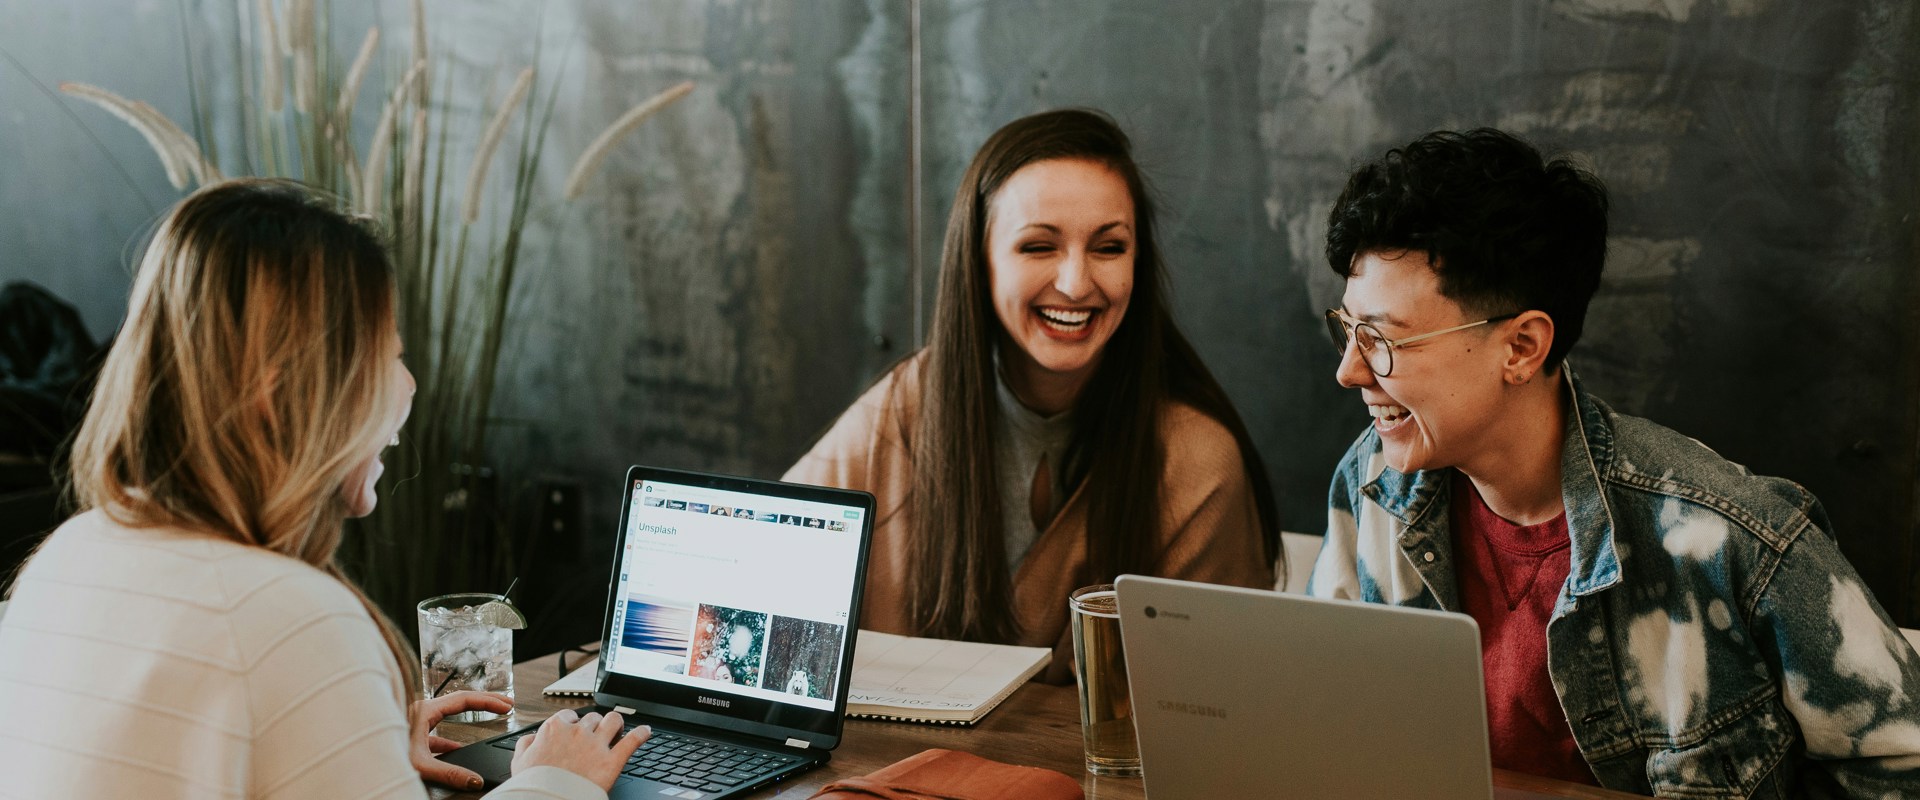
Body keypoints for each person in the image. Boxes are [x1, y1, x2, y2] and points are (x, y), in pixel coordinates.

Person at [1307, 128, 1920, 796]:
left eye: (1383, 340)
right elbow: (1325, 722)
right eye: (1348, 329)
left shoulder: (1734, 540)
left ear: (1521, 347)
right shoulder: (1372, 483)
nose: (1349, 370)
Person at [0, 179, 648, 799]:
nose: (410, 385)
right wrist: (558, 780)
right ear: (282, 393)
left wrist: (353, 738)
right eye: (389, 357)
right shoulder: (287, 616)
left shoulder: (67, 554)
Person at [786, 108, 1277, 683]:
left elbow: (1215, 707)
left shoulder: (1196, 461)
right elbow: (760, 567)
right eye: (1039, 247)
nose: (1075, 282)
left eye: (1109, 247)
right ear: (980, 261)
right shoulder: (902, 409)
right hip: (890, 772)